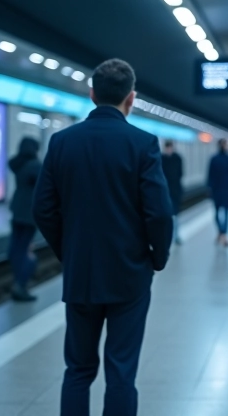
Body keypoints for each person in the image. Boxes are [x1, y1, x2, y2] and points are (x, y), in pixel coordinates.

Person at [33, 58, 173, 416]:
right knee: (121, 372)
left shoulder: (62, 142)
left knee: (78, 369)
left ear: (92, 94)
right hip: (129, 273)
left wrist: (69, 251)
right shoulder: (142, 144)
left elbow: (43, 209)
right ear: (132, 98)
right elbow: (158, 212)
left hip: (82, 272)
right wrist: (156, 258)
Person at [8, 137, 42, 302]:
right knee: (25, 249)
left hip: (16, 209)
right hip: (29, 212)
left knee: (16, 247)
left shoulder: (17, 163)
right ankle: (21, 285)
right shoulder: (35, 166)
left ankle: (17, 281)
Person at [208, 138, 228, 246]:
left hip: (222, 189)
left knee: (221, 213)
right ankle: (222, 233)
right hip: (222, 189)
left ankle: (222, 234)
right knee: (221, 213)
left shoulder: (217, 159)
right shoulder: (227, 159)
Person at [161, 140, 185, 244]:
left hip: (174, 191)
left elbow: (180, 173)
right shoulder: (162, 159)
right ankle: (168, 236)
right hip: (165, 191)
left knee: (175, 215)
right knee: (167, 215)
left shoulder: (177, 158)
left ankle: (176, 236)